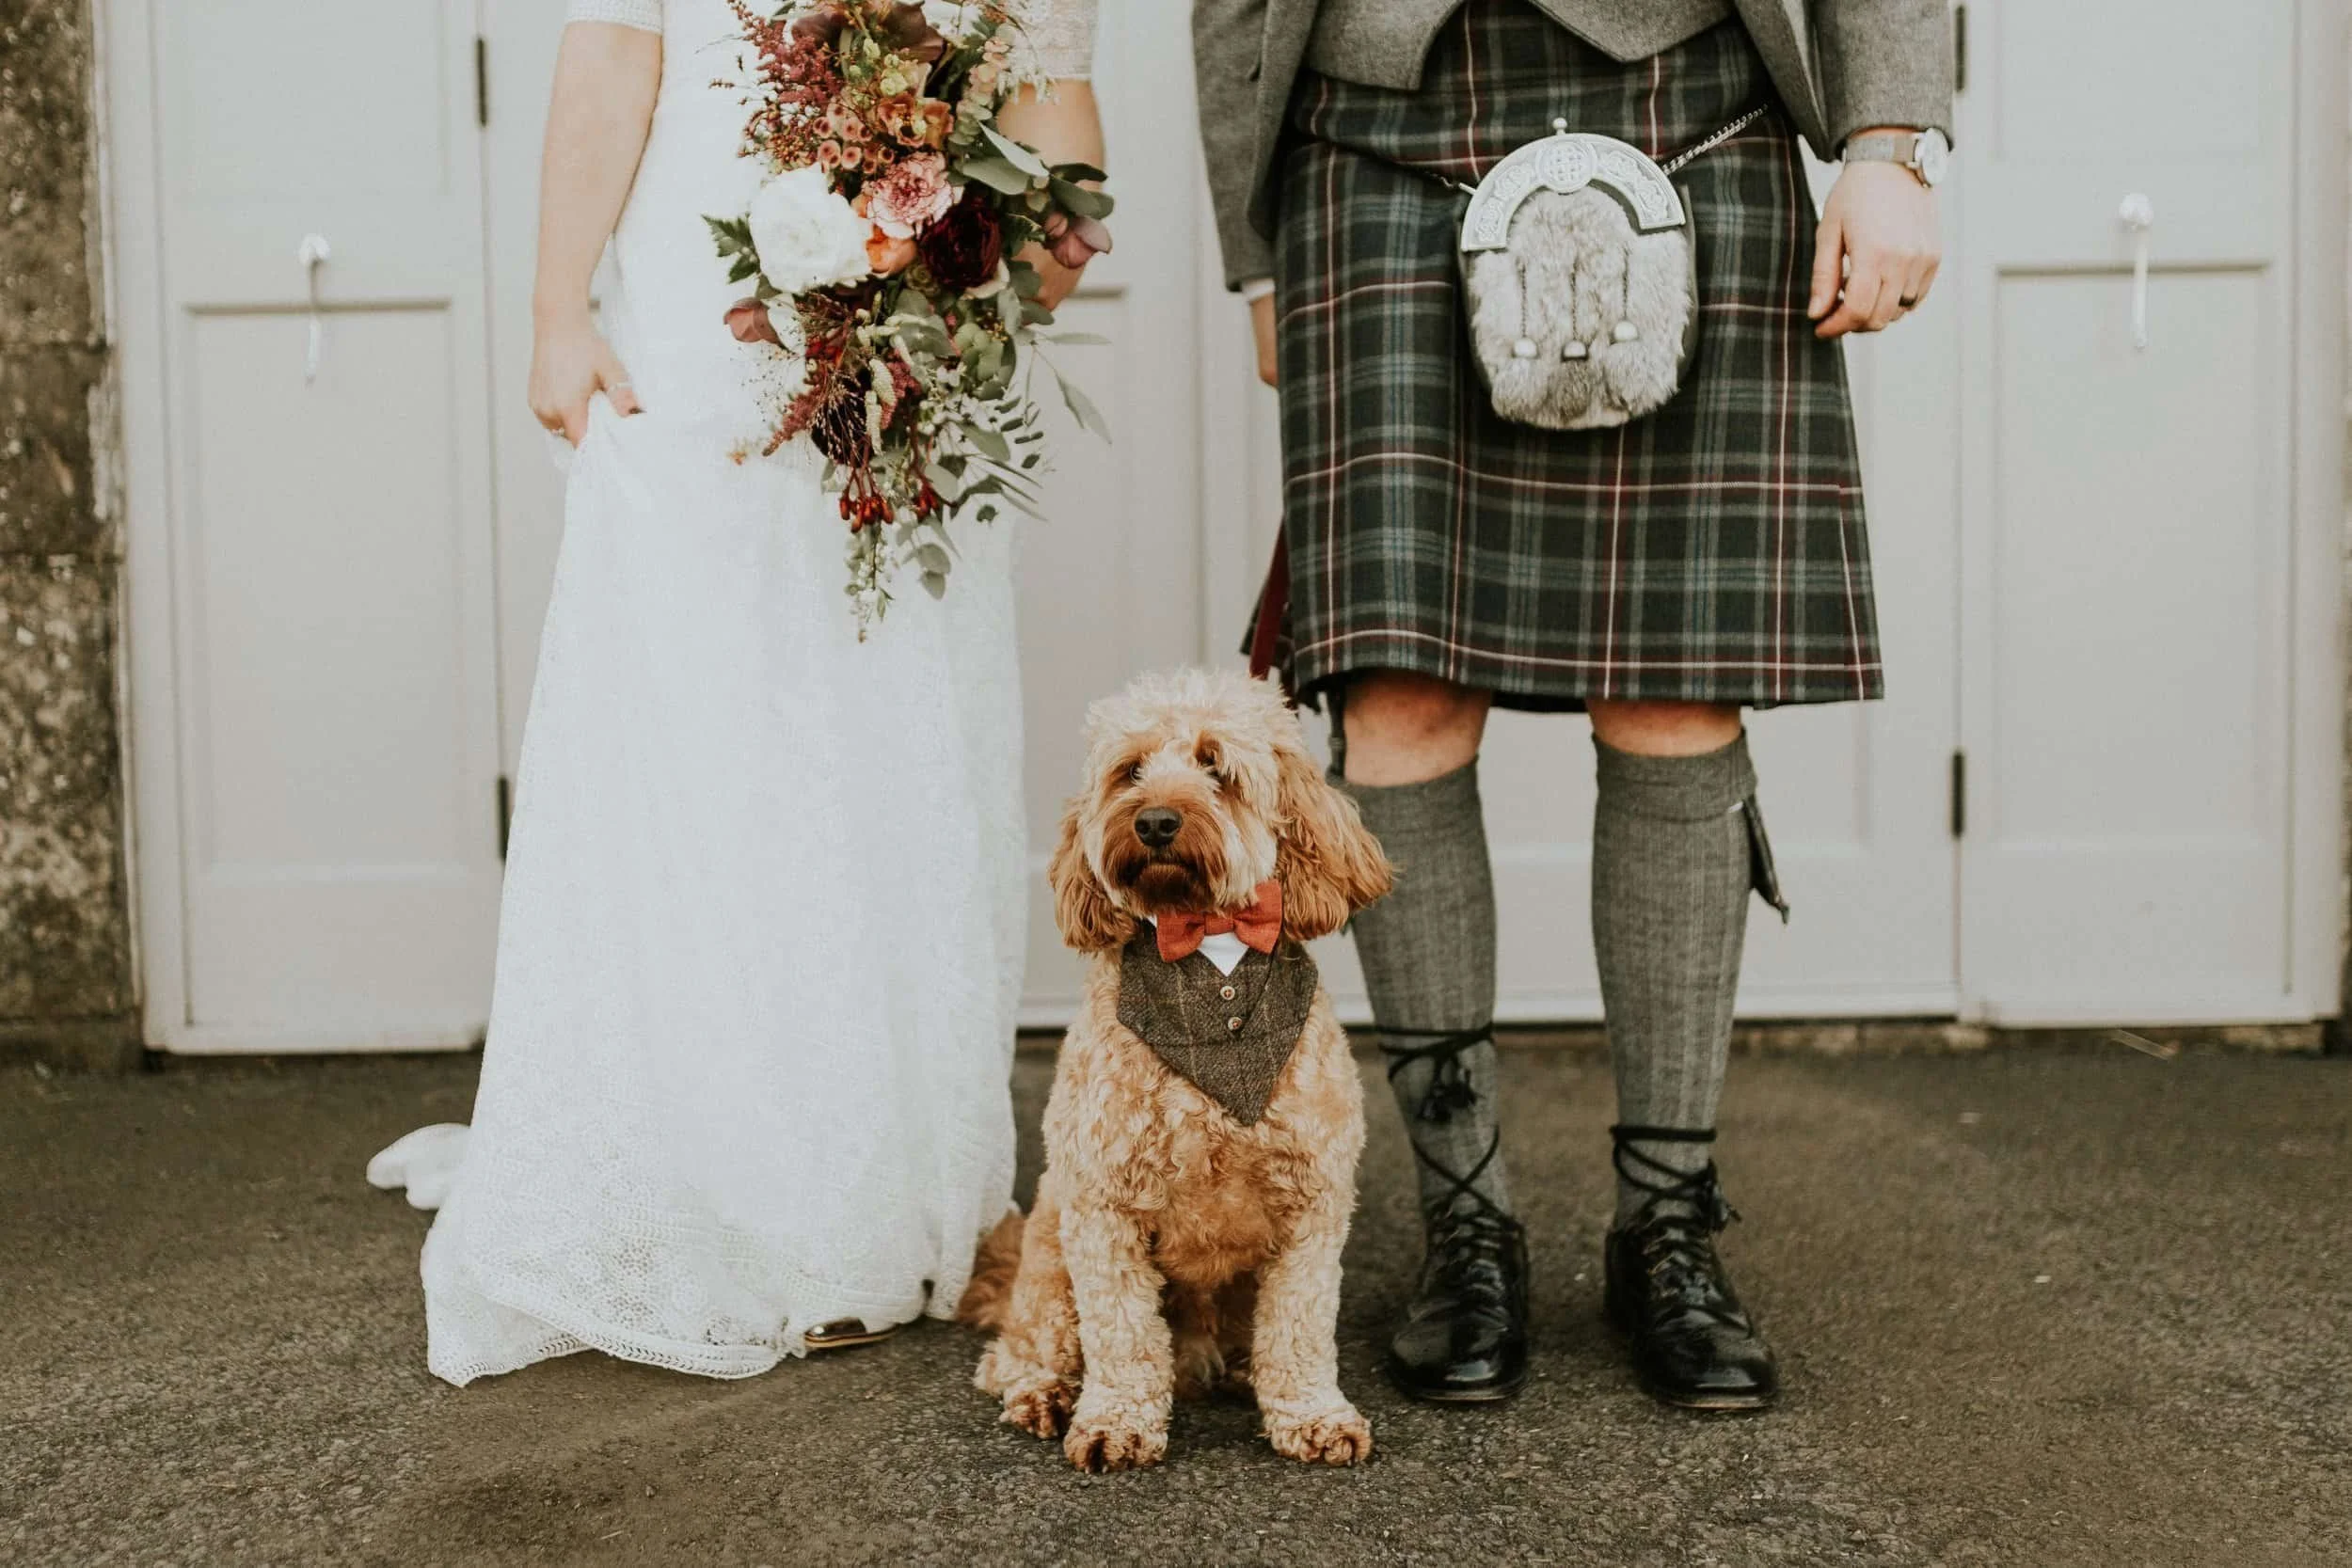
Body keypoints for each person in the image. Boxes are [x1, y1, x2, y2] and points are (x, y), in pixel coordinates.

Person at [1192, 0, 1949, 1408]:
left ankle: (1668, 1221)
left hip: (1691, 107)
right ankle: (1463, 1225)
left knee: (1674, 690)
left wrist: (1891, 141)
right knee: (1404, 697)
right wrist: (1254, 249)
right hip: (1373, 142)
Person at [369, 0, 1104, 1386]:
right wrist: (556, 309)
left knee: (902, 731)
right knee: (707, 728)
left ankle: (898, 1200)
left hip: (911, 368)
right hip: (704, 334)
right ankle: (732, 1187)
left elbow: (1059, 108)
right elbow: (614, 47)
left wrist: (947, 277)